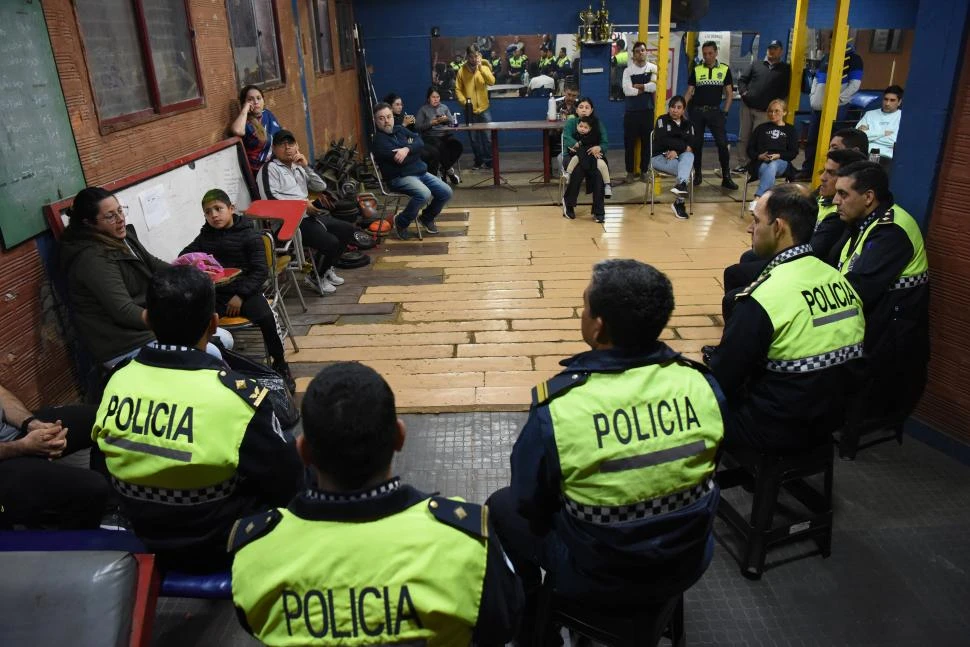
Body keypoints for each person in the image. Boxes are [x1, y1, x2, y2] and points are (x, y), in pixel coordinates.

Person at [488, 259, 725, 644]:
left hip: (600, 575)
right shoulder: (703, 386)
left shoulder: (562, 408)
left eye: (585, 305)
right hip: (687, 559)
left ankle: (534, 617)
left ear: (597, 326)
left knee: (500, 507)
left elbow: (529, 501)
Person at [230, 362, 522, 646]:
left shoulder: (256, 553)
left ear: (303, 451)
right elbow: (500, 625)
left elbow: (252, 624)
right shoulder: (464, 542)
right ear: (399, 436)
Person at [93, 265, 303, 571]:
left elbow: (104, 463)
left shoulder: (116, 381)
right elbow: (286, 480)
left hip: (141, 537)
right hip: (216, 544)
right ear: (214, 323)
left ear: (148, 319)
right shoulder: (236, 396)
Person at [708, 184, 866, 451]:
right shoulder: (838, 280)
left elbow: (725, 376)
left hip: (776, 426)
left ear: (779, 227)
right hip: (832, 419)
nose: (750, 229)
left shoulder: (762, 298)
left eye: (756, 221)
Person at [831, 161, 929, 423]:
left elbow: (860, 289)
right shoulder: (862, 221)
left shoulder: (891, 231)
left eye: (843, 194)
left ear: (869, 197)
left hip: (888, 330)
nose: (835, 201)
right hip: (869, 315)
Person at [179, 189, 295, 393]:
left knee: (267, 317)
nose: (214, 215)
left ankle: (280, 363)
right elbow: (185, 256)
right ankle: (213, 364)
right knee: (195, 319)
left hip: (246, 291)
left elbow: (260, 271)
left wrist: (240, 296)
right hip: (217, 293)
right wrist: (195, 262)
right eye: (208, 212)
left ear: (231, 208)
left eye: (218, 209)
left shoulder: (250, 235)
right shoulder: (205, 236)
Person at [59, 187, 170, 368]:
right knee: (209, 351)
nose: (120, 219)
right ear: (89, 223)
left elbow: (152, 264)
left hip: (145, 328)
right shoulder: (92, 258)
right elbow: (124, 311)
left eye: (120, 210)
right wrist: (172, 322)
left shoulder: (120, 235)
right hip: (124, 344)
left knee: (219, 341)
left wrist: (191, 271)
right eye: (110, 216)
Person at [256, 130, 355, 295]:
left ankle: (325, 269)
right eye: (282, 145)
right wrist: (302, 205)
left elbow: (320, 187)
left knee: (346, 229)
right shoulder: (269, 169)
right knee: (330, 242)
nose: (287, 148)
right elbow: (269, 199)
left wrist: (306, 167)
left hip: (308, 216)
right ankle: (315, 278)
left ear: (297, 146)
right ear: (274, 149)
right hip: (287, 223)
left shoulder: (298, 167)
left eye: (291, 144)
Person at [0, 385, 110, 530]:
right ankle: (72, 546)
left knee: (106, 419)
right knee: (94, 486)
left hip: (14, 434)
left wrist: (31, 424)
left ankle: (110, 512)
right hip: (6, 456)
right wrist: (23, 446)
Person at [372, 102, 453, 240]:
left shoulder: (400, 129)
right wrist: (413, 151)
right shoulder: (379, 141)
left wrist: (407, 149)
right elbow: (401, 160)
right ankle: (401, 222)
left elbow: (419, 141)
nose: (386, 121)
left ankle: (426, 218)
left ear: (392, 116)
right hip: (399, 177)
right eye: (381, 118)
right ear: (375, 120)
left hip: (419, 172)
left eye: (389, 116)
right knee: (424, 193)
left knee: (446, 192)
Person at [798, 42, 864, 179]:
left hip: (837, 108)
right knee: (812, 139)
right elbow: (816, 79)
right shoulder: (827, 57)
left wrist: (838, 100)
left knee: (833, 142)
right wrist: (813, 97)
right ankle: (808, 170)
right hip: (818, 107)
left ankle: (829, 171)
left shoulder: (855, 59)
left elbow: (855, 84)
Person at [685, 41, 739, 190]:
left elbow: (729, 94)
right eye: (705, 54)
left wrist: (725, 112)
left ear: (716, 53)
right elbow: (689, 92)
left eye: (710, 53)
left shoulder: (724, 69)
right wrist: (681, 108)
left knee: (722, 143)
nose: (707, 56)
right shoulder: (696, 70)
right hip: (696, 111)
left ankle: (726, 177)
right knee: (696, 144)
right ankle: (698, 175)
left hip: (715, 112)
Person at [735, 39, 791, 173]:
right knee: (743, 137)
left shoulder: (785, 69)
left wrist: (774, 107)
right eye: (770, 48)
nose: (772, 51)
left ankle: (755, 165)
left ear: (781, 51)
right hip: (747, 107)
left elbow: (785, 89)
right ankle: (743, 164)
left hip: (765, 112)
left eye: (775, 48)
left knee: (759, 139)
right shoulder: (756, 64)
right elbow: (742, 80)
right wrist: (744, 93)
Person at [809, 148, 867, 261]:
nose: (822, 178)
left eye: (830, 173)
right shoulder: (818, 196)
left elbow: (810, 253)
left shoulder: (842, 214)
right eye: (823, 171)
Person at [745, 99, 799, 212]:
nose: (773, 114)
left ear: (784, 112)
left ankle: (758, 199)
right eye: (770, 111)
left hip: (782, 163)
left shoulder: (790, 130)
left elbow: (793, 152)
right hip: (761, 163)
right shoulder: (761, 128)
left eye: (777, 111)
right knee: (769, 167)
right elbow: (750, 149)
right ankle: (763, 203)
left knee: (773, 164)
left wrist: (778, 155)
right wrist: (759, 156)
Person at [562, 97, 609, 221]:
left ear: (591, 110)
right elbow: (566, 138)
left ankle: (598, 210)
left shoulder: (597, 123)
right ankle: (569, 204)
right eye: (581, 107)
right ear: (576, 110)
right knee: (578, 170)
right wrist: (577, 146)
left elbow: (605, 143)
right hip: (572, 156)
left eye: (587, 107)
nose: (584, 110)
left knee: (598, 173)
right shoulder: (572, 123)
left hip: (591, 156)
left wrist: (599, 147)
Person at [652, 95, 695, 220]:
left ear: (683, 110)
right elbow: (662, 139)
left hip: (679, 157)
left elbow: (693, 143)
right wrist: (682, 146)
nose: (675, 110)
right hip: (659, 157)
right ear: (669, 108)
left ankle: (681, 186)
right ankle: (679, 203)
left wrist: (676, 150)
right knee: (685, 169)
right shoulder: (661, 120)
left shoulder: (688, 124)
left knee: (689, 155)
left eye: (679, 107)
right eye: (672, 107)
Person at [621, 41, 658, 183]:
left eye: (643, 50)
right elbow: (627, 90)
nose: (640, 53)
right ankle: (630, 172)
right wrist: (645, 88)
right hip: (631, 112)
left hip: (647, 111)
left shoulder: (653, 68)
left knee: (646, 143)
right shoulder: (628, 71)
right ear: (633, 54)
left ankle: (644, 171)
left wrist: (640, 86)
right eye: (637, 51)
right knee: (629, 144)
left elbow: (654, 87)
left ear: (646, 52)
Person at [455, 44, 495, 170]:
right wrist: (465, 103)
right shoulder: (461, 71)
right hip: (469, 111)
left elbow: (492, 81)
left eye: (476, 56)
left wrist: (480, 68)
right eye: (471, 56)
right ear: (467, 57)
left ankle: (489, 162)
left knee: (488, 137)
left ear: (479, 55)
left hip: (484, 108)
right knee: (473, 138)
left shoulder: (484, 67)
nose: (473, 59)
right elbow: (458, 89)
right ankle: (478, 161)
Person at [229, 85, 283, 176]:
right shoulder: (246, 123)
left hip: (278, 163)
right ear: (244, 103)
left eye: (259, 98)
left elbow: (280, 133)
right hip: (261, 171)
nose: (256, 102)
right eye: (250, 99)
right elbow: (237, 131)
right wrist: (245, 110)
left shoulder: (267, 114)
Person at [414, 87, 463, 185]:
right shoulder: (423, 110)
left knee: (458, 146)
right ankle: (449, 171)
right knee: (441, 146)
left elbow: (452, 122)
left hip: (445, 135)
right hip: (430, 136)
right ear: (428, 98)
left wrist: (446, 120)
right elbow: (417, 127)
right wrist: (431, 123)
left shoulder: (444, 107)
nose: (436, 99)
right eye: (433, 97)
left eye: (438, 97)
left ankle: (443, 169)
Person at [856, 85, 903, 169]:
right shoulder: (869, 114)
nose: (887, 103)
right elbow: (858, 137)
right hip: (865, 155)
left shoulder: (903, 117)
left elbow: (894, 141)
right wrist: (883, 133)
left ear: (899, 102)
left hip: (887, 157)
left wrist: (870, 134)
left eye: (892, 100)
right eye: (885, 99)